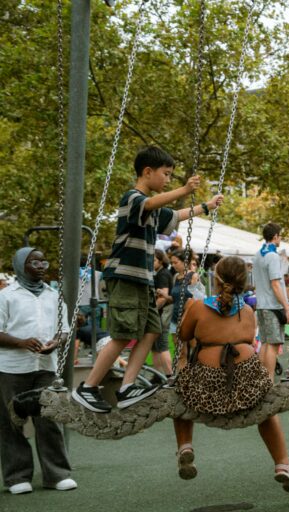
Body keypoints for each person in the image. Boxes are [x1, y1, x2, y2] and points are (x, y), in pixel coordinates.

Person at [73, 146, 224, 413]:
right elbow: (152, 203)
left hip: (143, 281)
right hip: (125, 277)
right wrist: (185, 190)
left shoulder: (153, 211)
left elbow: (176, 215)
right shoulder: (132, 198)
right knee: (122, 334)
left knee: (152, 329)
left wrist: (206, 206)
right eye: (166, 174)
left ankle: (127, 387)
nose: (168, 180)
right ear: (147, 172)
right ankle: (88, 387)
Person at [172, 257, 289, 491]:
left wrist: (189, 312)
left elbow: (182, 335)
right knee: (266, 408)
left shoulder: (199, 307)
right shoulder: (248, 311)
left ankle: (185, 446)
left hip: (207, 384)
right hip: (246, 383)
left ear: (217, 281)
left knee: (179, 394)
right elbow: (250, 339)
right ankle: (283, 464)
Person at [0, 248, 77, 494]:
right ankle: (17, 477)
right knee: (11, 421)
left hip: (45, 366)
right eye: (35, 261)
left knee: (49, 418)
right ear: (22, 265)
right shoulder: (6, 296)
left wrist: (56, 341)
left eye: (44, 260)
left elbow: (63, 330)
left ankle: (56, 474)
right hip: (12, 368)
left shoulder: (53, 295)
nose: (42, 264)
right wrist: (20, 342)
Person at [252, 223, 289, 379]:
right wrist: (287, 308)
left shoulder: (257, 255)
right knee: (273, 345)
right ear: (275, 236)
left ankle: (262, 380)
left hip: (262, 305)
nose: (281, 238)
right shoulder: (272, 256)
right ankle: (268, 380)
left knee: (264, 343)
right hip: (273, 306)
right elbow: (276, 284)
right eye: (280, 235)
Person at [152, 249, 173, 377]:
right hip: (159, 314)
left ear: (161, 261)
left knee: (162, 345)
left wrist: (152, 310)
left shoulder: (163, 274)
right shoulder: (159, 273)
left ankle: (169, 375)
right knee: (155, 347)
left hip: (162, 314)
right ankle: (157, 375)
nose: (151, 262)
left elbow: (163, 297)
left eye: (154, 260)